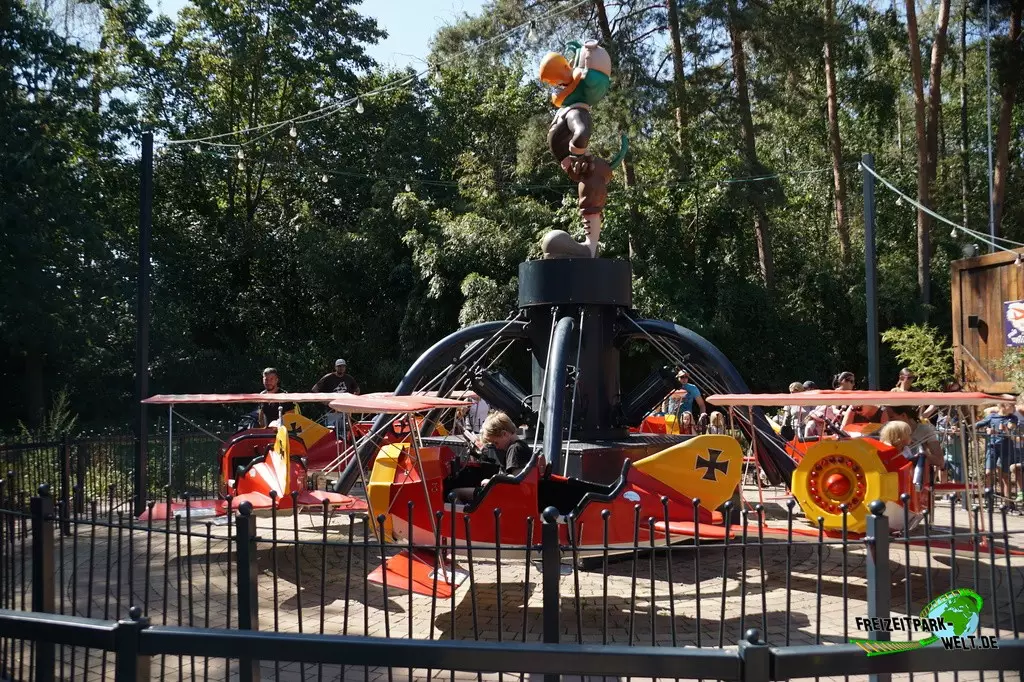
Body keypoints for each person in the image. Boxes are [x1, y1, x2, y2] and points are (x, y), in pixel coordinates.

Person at [449, 412, 537, 504]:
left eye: (496, 443)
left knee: (455, 493)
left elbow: (517, 481)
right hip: (499, 493)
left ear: (504, 434)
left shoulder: (515, 449)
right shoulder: (520, 446)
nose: (497, 447)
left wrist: (492, 482)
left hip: (500, 496)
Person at [975, 401, 1018, 500]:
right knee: (988, 473)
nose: (1014, 407)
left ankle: (1007, 501)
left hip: (1006, 448)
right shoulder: (992, 417)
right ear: (1003, 406)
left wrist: (997, 431)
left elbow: (1011, 428)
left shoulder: (1012, 418)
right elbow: (977, 425)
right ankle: (988, 499)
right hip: (992, 447)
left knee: (1005, 475)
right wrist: (962, 428)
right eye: (1011, 405)